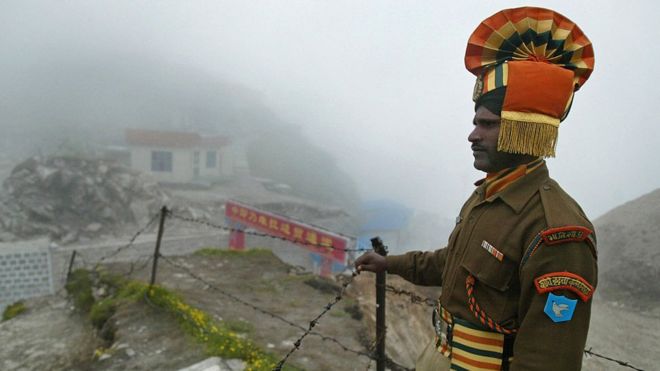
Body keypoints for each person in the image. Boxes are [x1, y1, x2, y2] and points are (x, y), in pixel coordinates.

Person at [355, 6, 597, 371]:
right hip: (437, 356)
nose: (472, 135)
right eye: (475, 123)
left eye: (487, 124)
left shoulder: (557, 230)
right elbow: (450, 263)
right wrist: (389, 263)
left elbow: (548, 360)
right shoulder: (487, 196)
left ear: (523, 129)